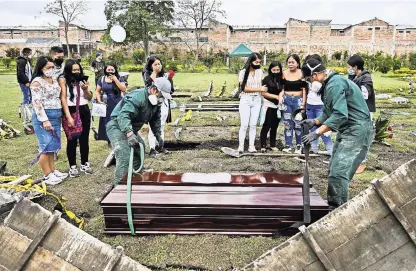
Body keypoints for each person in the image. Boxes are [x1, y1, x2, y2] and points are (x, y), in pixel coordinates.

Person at [301, 58, 372, 208]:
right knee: (334, 167)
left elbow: (340, 115)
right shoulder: (330, 85)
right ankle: (335, 203)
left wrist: (316, 133)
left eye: (308, 79)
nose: (309, 83)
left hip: (356, 131)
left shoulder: (335, 84)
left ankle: (338, 208)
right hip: (348, 130)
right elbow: (329, 112)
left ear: (316, 75)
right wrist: (315, 122)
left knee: (339, 171)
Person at [106, 77, 172, 185]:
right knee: (124, 154)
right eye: (161, 96)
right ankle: (120, 187)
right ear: (154, 90)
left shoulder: (155, 103)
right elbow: (123, 115)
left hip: (131, 127)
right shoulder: (137, 97)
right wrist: (129, 133)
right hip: (117, 126)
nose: (162, 100)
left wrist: (158, 135)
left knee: (139, 147)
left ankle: (138, 173)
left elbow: (155, 120)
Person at [30, 56, 68, 185]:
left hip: (56, 114)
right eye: (48, 67)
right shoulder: (37, 82)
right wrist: (44, 120)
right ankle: (47, 175)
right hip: (44, 116)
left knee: (52, 146)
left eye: (52, 67)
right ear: (41, 68)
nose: (51, 70)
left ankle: (53, 170)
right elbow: (37, 103)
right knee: (45, 147)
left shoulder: (54, 80)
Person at [59, 59, 94, 177]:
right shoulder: (63, 80)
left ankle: (85, 163)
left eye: (78, 69)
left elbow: (89, 97)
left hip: (84, 109)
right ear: (68, 70)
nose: (76, 71)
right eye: (74, 70)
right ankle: (72, 166)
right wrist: (68, 117)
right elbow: (63, 98)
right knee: (72, 139)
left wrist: (85, 89)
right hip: (71, 110)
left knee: (85, 138)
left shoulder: (82, 79)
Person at [347, 55, 375, 173]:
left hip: (364, 111)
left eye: (349, 67)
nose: (347, 69)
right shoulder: (354, 76)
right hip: (355, 110)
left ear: (356, 67)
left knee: (363, 137)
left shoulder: (366, 78)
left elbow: (365, 95)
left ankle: (362, 162)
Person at [142, 55, 175, 157]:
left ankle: (160, 146)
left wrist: (165, 87)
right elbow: (148, 84)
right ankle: (152, 148)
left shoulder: (166, 75)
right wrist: (155, 73)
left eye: (159, 63)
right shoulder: (147, 74)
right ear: (151, 66)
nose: (158, 66)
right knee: (153, 126)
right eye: (155, 64)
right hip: (153, 103)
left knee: (161, 125)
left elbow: (171, 89)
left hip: (164, 102)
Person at [304, 55, 333, 156]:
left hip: (320, 106)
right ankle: (313, 148)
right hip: (310, 104)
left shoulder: (327, 80)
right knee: (312, 127)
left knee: (324, 129)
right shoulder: (310, 79)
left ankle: (330, 149)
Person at [238, 52, 266, 153]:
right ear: (251, 61)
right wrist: (259, 88)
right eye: (256, 62)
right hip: (246, 99)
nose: (258, 64)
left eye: (259, 62)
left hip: (257, 99)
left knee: (253, 124)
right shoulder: (243, 72)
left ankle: (251, 146)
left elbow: (264, 85)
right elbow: (244, 88)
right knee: (244, 124)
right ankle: (241, 146)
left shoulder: (260, 72)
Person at [96, 62, 127, 145]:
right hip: (106, 103)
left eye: (112, 69)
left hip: (118, 102)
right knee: (107, 121)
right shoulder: (101, 79)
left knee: (117, 120)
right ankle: (109, 140)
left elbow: (124, 89)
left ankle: (119, 138)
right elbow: (97, 91)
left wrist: (115, 80)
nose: (110, 71)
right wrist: (99, 100)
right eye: (108, 69)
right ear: (105, 70)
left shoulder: (120, 78)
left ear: (115, 70)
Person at [282, 53, 307, 154]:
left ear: (297, 63)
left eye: (293, 62)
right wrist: (281, 98)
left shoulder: (302, 73)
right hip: (287, 100)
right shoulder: (284, 73)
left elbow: (304, 91)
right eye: (289, 62)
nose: (290, 64)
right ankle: (288, 145)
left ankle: (299, 145)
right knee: (287, 123)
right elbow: (282, 89)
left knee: (298, 123)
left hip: (298, 100)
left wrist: (303, 105)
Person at [260, 61, 284, 152]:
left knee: (275, 126)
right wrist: (275, 97)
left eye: (278, 70)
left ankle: (272, 145)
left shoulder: (281, 79)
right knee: (266, 125)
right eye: (274, 70)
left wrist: (280, 96)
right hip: (269, 105)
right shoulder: (266, 79)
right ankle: (263, 145)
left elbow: (283, 89)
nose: (276, 72)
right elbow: (263, 93)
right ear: (270, 69)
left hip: (278, 106)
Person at [16, 47, 33, 133]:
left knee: (30, 98)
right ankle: (27, 116)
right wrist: (26, 81)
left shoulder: (26, 61)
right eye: (30, 53)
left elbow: (29, 72)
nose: (31, 55)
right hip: (24, 83)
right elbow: (20, 73)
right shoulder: (22, 61)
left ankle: (29, 114)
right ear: (26, 53)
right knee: (27, 98)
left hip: (29, 82)